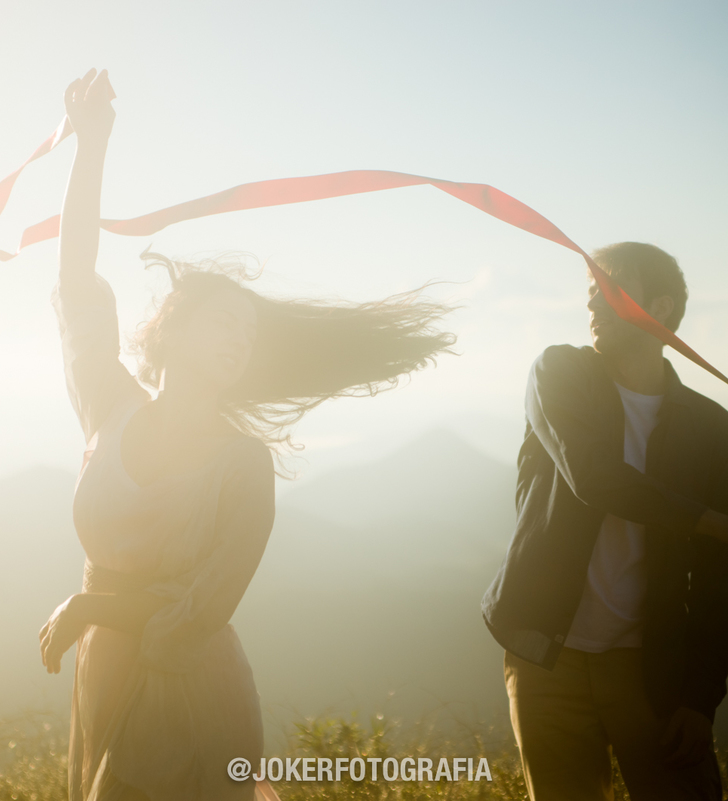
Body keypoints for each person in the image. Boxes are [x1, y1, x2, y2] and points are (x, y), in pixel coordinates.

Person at [36, 69, 455, 801]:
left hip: (190, 688)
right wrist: (91, 144)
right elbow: (76, 276)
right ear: (170, 325)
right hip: (101, 669)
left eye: (250, 332)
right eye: (224, 321)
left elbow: (200, 610)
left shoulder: (242, 462)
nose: (239, 339)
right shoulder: (109, 404)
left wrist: (93, 606)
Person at [481, 242, 728, 801]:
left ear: (663, 307)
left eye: (613, 289)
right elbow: (593, 476)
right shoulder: (560, 372)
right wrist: (722, 524)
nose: (594, 305)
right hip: (547, 663)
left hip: (653, 667)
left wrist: (700, 700)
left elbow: (718, 585)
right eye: (591, 292)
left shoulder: (713, 430)